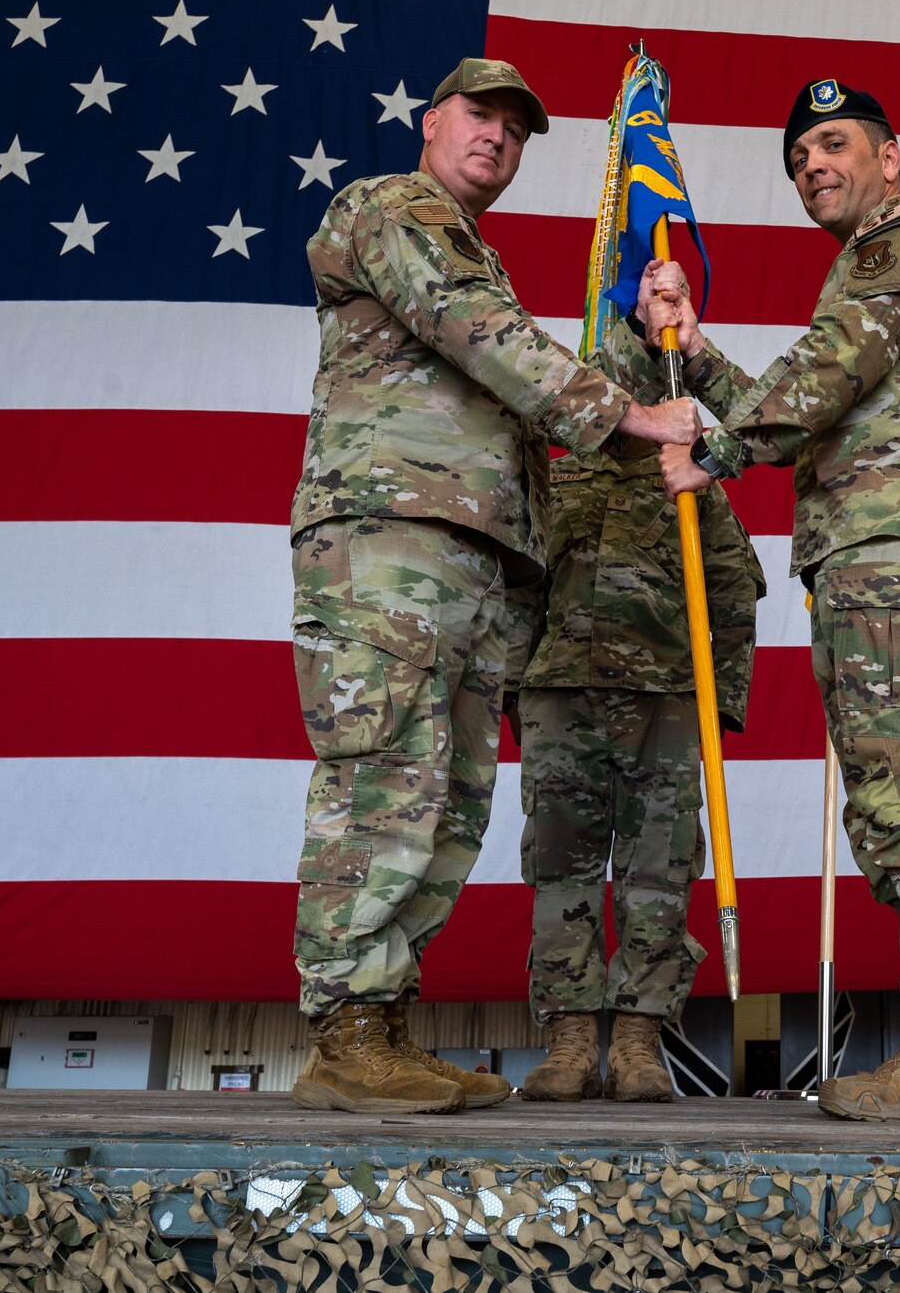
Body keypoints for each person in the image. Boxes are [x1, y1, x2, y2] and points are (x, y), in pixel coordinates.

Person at [287, 58, 702, 1116]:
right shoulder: (392, 209)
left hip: (472, 560)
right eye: (480, 117)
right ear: (431, 121)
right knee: (384, 776)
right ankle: (344, 1029)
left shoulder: (476, 252)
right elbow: (483, 338)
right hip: (392, 542)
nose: (497, 139)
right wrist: (641, 417)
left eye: (516, 131)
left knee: (447, 798)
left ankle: (379, 1026)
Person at [642, 80, 900, 1123]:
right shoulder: (863, 266)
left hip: (897, 541)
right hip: (865, 545)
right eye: (798, 153)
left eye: (834, 143)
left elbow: (828, 373)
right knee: (888, 790)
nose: (812, 163)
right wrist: (696, 349)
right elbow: (811, 401)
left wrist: (713, 453)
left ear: (888, 158)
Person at [513, 321, 765, 1104]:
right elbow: (522, 590)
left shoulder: (688, 486)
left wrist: (718, 709)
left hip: (664, 701)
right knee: (561, 868)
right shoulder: (555, 483)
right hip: (561, 696)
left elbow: (732, 593)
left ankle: (638, 1038)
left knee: (658, 874)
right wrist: (515, 689)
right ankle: (570, 1038)